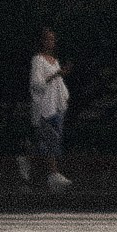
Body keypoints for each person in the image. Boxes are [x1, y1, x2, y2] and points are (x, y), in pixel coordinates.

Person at [27, 28, 71, 191]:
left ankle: (46, 174)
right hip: (45, 107)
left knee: (53, 140)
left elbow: (58, 82)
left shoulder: (55, 60)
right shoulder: (38, 60)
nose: (50, 42)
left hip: (56, 105)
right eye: (47, 39)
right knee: (47, 140)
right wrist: (56, 74)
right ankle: (52, 173)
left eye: (53, 39)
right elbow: (36, 84)